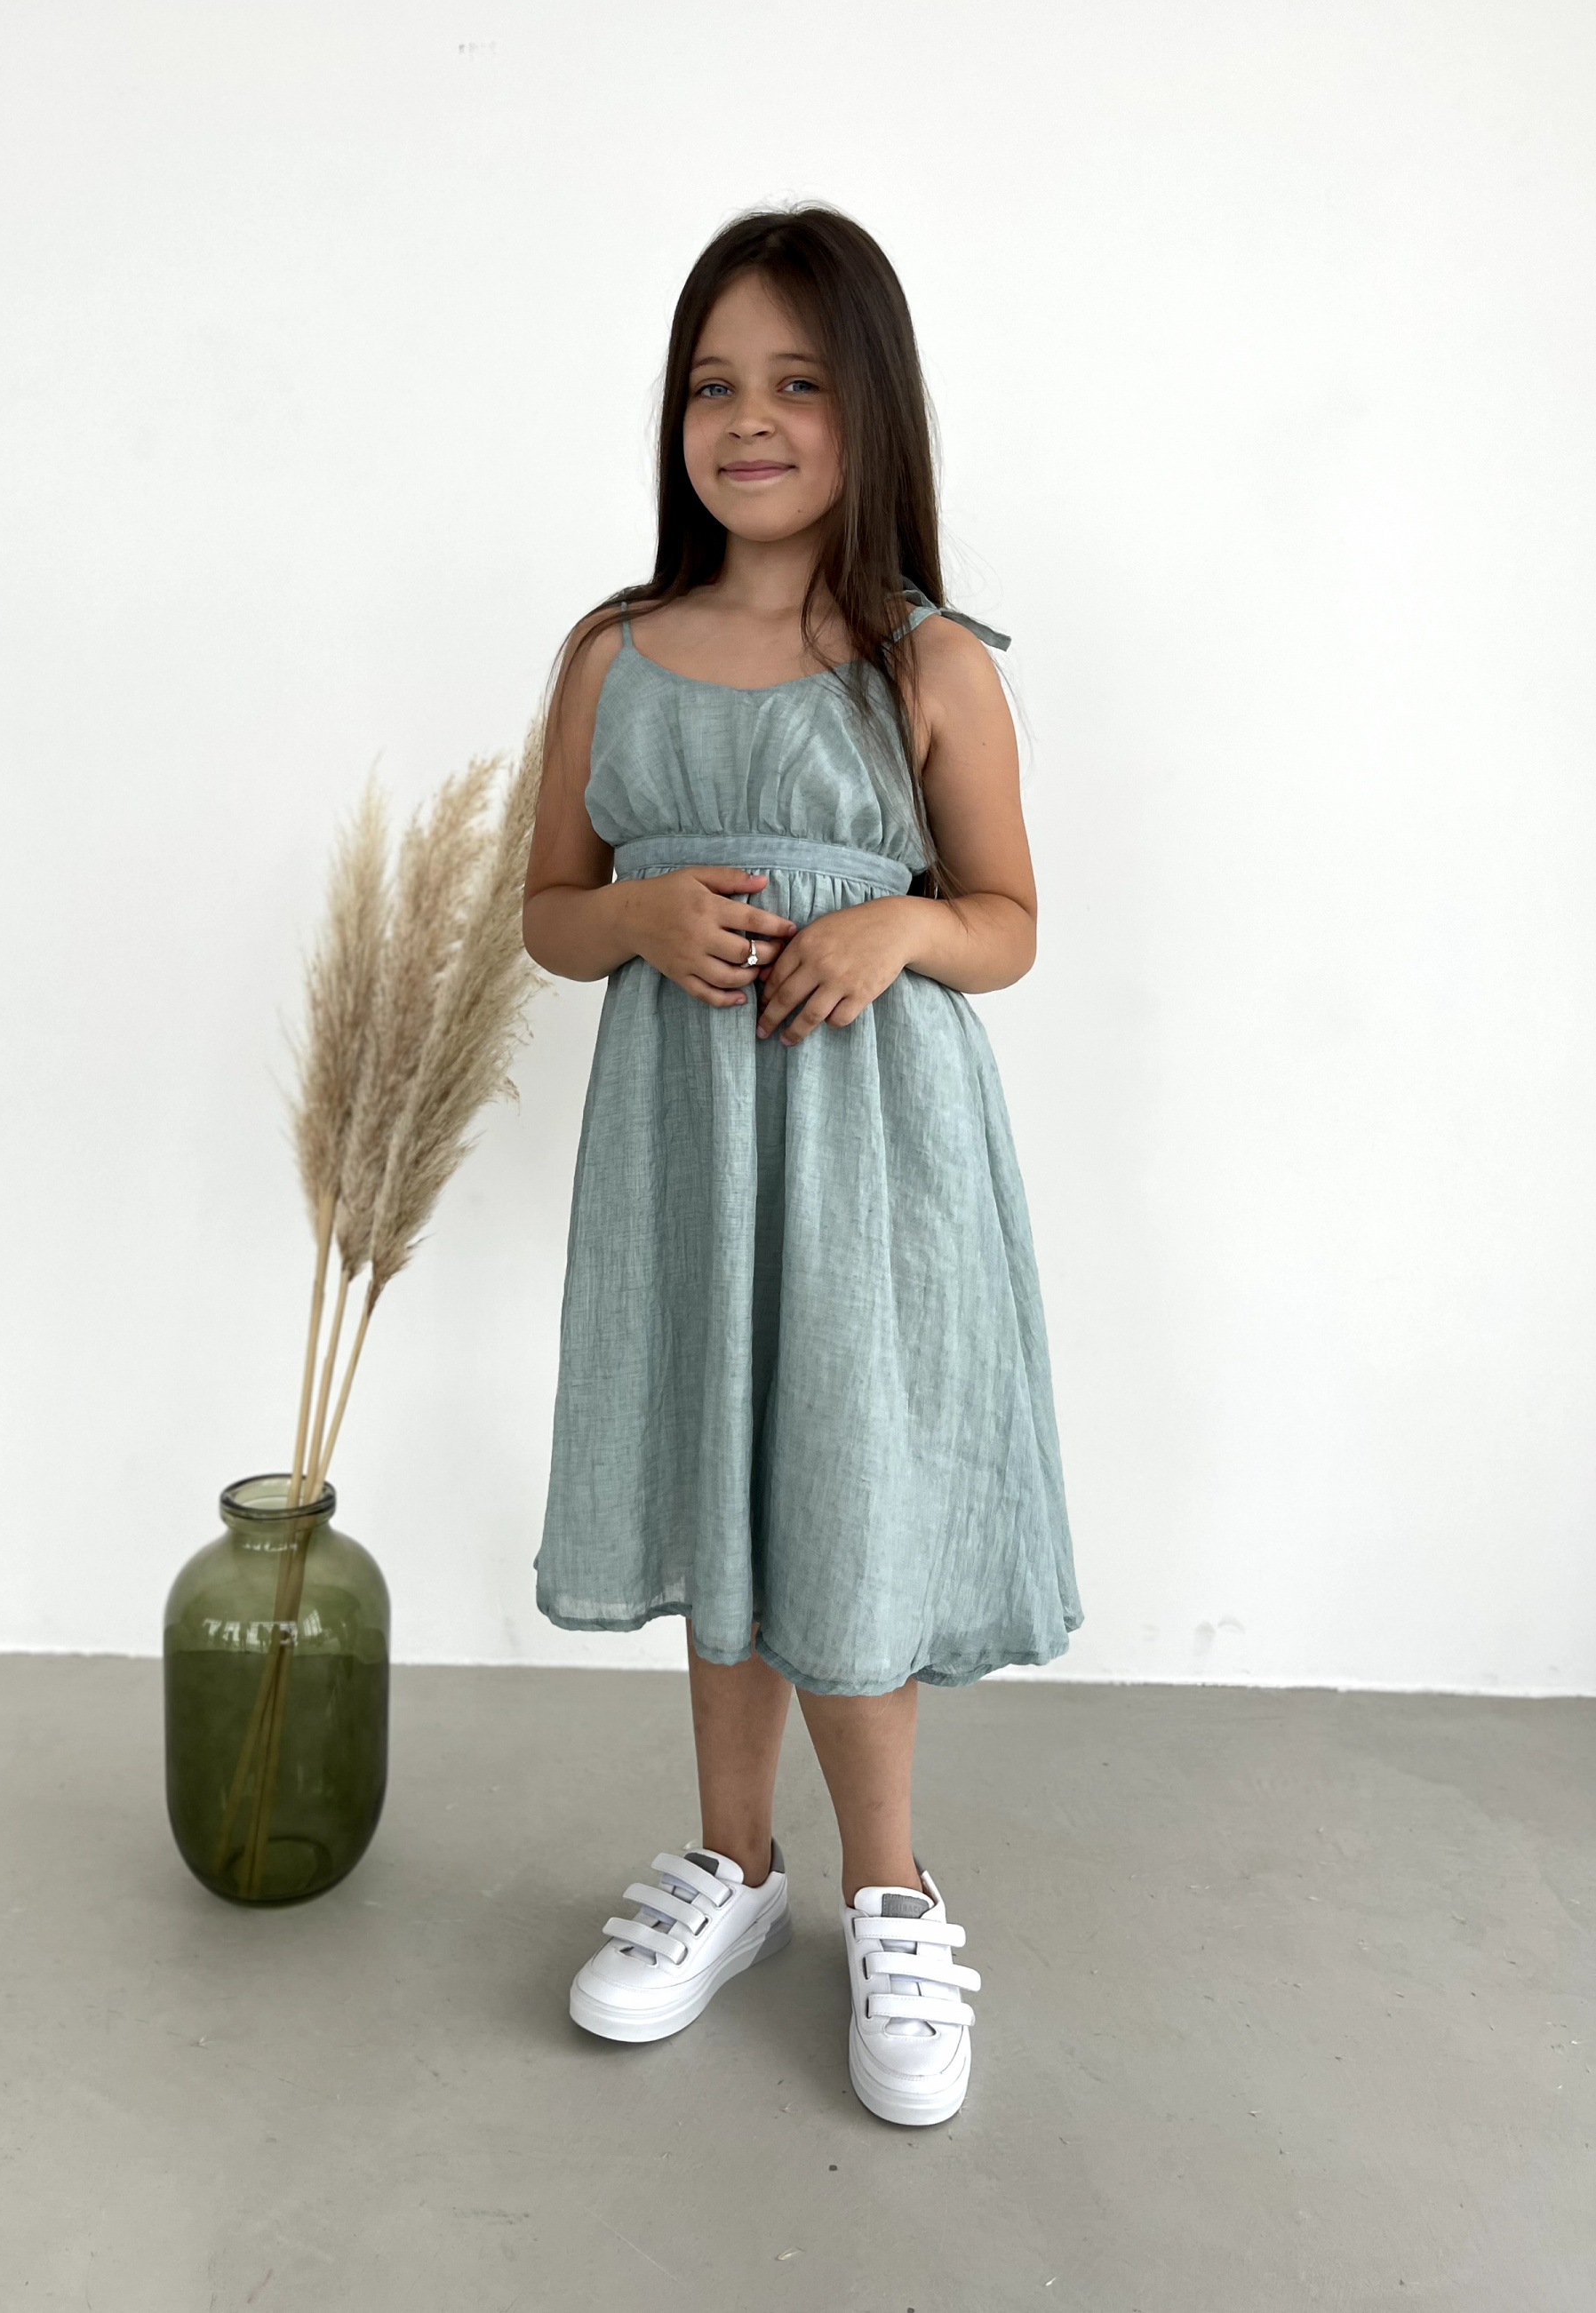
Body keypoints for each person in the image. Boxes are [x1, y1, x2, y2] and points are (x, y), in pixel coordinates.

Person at [521, 204, 1082, 2126]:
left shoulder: (926, 661)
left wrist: (900, 925)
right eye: (711, 384)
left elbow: (1006, 919)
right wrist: (639, 914)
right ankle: (732, 1862)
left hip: (866, 1163)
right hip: (685, 1158)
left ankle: (890, 1890)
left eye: (794, 382)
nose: (745, 420)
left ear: (871, 410)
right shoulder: (611, 654)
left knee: (842, 1484)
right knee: (721, 1474)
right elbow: (549, 913)